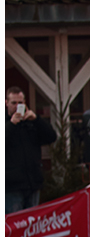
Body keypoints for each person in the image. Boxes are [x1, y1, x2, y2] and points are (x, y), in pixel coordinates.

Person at [5, 86, 57, 214]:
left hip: (33, 183)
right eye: (13, 103)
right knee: (14, 225)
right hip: (12, 186)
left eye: (20, 103)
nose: (17, 106)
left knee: (32, 224)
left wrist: (37, 120)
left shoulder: (31, 123)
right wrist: (11, 124)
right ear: (6, 103)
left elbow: (51, 137)